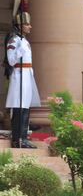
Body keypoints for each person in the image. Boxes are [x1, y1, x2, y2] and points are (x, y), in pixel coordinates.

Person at [5, 12, 41, 148]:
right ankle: (17, 139)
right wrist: (19, 50)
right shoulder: (14, 40)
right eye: (27, 24)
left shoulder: (24, 40)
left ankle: (23, 137)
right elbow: (11, 61)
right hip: (18, 76)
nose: (30, 27)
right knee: (19, 108)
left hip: (27, 75)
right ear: (20, 26)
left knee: (25, 108)